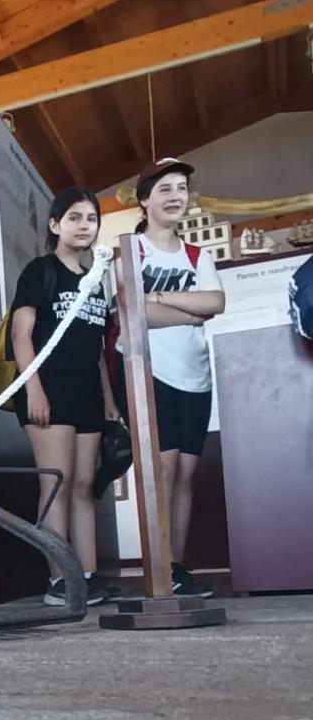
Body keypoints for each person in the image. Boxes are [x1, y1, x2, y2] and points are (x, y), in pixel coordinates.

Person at [114, 158, 225, 598]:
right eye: (164, 188)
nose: (175, 196)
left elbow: (215, 303)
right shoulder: (130, 251)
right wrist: (188, 309)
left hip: (195, 375)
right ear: (144, 199)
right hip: (149, 370)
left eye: (181, 187)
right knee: (163, 468)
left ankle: (176, 566)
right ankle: (158, 567)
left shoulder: (198, 255)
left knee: (186, 473)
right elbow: (133, 315)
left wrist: (159, 296)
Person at [10, 187, 120, 607]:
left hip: (87, 394)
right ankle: (59, 580)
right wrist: (33, 389)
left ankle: (86, 576)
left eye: (91, 218)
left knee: (84, 485)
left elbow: (96, 351)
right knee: (56, 482)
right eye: (74, 217)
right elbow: (21, 335)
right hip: (48, 392)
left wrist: (108, 399)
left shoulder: (95, 282)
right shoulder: (40, 271)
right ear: (55, 225)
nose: (84, 225)